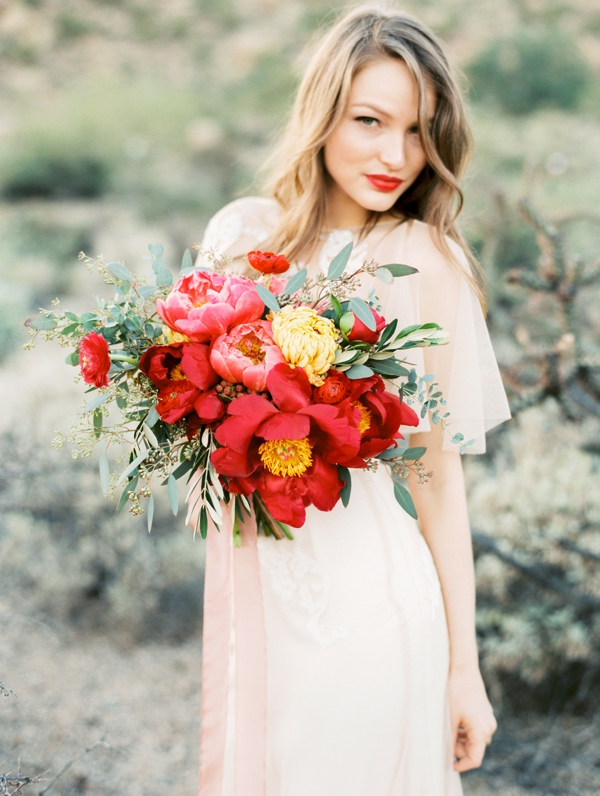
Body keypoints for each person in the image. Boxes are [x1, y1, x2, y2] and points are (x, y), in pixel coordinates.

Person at [195, 5, 511, 796]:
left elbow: (435, 481)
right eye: (370, 120)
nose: (395, 155)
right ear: (322, 112)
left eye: (418, 131)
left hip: (369, 613)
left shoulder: (417, 258)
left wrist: (463, 670)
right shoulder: (239, 239)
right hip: (257, 598)